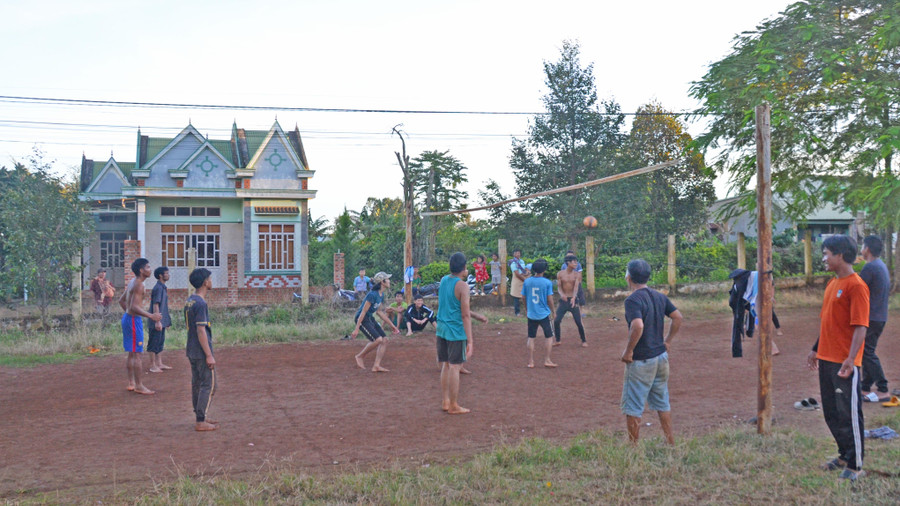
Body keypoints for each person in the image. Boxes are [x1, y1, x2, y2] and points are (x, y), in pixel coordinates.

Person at [806, 235, 868, 481]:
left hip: (844, 363)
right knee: (831, 412)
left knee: (848, 413)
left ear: (840, 255)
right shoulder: (832, 284)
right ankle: (843, 454)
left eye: (827, 253)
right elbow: (828, 322)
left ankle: (855, 465)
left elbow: (861, 326)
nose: (824, 258)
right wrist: (815, 348)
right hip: (827, 358)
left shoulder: (857, 286)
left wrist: (850, 359)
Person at [621, 259, 683, 445]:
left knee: (633, 406)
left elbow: (637, 325)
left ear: (629, 277)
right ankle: (670, 441)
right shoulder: (659, 296)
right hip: (660, 357)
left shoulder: (632, 300)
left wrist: (628, 351)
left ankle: (633, 447)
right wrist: (667, 341)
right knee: (662, 402)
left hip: (642, 360)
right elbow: (677, 317)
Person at [436, 252, 488, 414]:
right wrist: (470, 341)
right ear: (464, 268)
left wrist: (476, 315)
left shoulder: (444, 280)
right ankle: (454, 405)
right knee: (455, 367)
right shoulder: (463, 286)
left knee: (446, 365)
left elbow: (452, 305)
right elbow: (464, 314)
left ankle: (446, 401)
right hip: (455, 332)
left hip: (442, 329)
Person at [117, 258, 162, 395]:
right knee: (137, 354)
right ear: (142, 270)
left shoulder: (132, 282)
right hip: (132, 320)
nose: (150, 269)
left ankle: (132, 383)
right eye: (148, 267)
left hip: (128, 319)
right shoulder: (139, 285)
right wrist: (151, 316)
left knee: (132, 353)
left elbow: (122, 301)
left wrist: (128, 314)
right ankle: (139, 386)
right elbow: (134, 306)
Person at [184, 268, 218, 432]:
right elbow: (200, 330)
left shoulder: (190, 300)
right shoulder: (201, 303)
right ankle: (200, 420)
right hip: (200, 350)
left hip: (191, 349)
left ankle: (201, 414)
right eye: (210, 278)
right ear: (205, 282)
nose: (211, 281)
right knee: (208, 384)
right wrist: (209, 355)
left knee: (197, 384)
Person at [859, 235, 890, 401]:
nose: (861, 250)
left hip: (872, 317)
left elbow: (857, 290)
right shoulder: (881, 265)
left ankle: (883, 388)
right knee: (867, 351)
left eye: (862, 246)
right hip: (880, 316)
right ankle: (865, 386)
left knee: (867, 352)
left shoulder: (870, 267)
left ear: (867, 249)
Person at [352, 272, 400, 372]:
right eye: (387, 279)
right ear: (382, 282)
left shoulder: (381, 295)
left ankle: (376, 366)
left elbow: (379, 312)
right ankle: (360, 356)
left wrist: (392, 326)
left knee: (385, 340)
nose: (389, 281)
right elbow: (363, 312)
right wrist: (356, 329)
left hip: (369, 318)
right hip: (362, 319)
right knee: (377, 340)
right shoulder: (372, 295)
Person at [522, 258, 557, 368]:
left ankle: (531, 361)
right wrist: (553, 311)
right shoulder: (547, 282)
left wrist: (526, 308)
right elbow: (549, 299)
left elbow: (523, 297)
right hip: (544, 314)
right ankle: (547, 359)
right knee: (549, 336)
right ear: (544, 269)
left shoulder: (527, 281)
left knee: (531, 337)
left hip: (531, 314)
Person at [554, 254, 588, 347]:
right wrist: (562, 294)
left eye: (576, 262)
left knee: (578, 321)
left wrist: (573, 297)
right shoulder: (560, 273)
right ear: (568, 263)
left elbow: (576, 287)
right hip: (563, 300)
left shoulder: (577, 275)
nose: (576, 264)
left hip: (573, 300)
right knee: (556, 320)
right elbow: (559, 287)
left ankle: (584, 340)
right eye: (574, 262)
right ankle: (558, 340)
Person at [147, 266, 172, 373]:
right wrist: (157, 321)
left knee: (160, 342)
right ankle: (153, 365)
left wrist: (166, 321)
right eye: (166, 273)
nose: (168, 275)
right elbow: (155, 305)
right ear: (161, 275)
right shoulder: (158, 288)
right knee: (153, 342)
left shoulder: (162, 287)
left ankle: (159, 363)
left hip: (161, 321)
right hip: (156, 321)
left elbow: (163, 307)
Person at [509, 249, 527, 317]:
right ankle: (517, 313)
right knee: (516, 297)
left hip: (522, 278)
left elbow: (524, 270)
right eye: (516, 253)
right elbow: (517, 273)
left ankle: (526, 311)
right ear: (514, 254)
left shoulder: (522, 261)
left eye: (519, 253)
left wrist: (526, 274)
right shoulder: (513, 262)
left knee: (524, 296)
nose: (518, 254)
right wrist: (525, 280)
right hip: (517, 280)